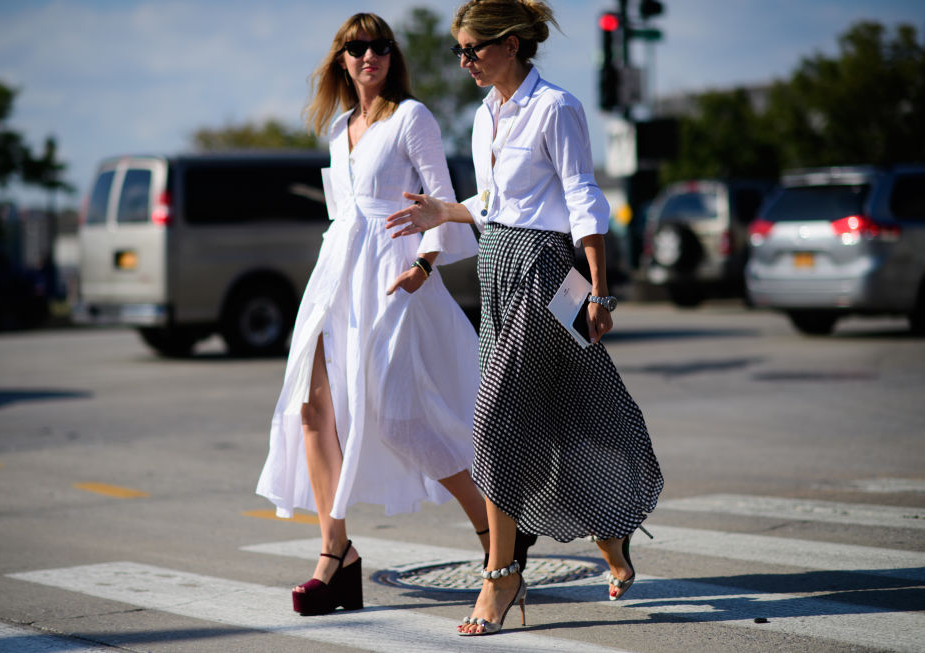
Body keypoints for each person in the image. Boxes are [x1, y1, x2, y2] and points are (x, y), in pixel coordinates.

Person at [386, 0, 663, 636]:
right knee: (570, 409)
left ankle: (501, 574)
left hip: (544, 273)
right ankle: (612, 536)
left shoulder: (556, 106)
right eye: (459, 51)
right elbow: (493, 200)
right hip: (495, 268)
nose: (464, 62)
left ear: (511, 44)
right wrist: (445, 212)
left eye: (472, 49)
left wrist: (598, 290)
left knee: (493, 423)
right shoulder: (486, 115)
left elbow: (580, 195)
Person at [255, 12, 490, 617]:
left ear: (392, 57)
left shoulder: (412, 117)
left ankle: (495, 534)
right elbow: (345, 214)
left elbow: (441, 199)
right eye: (357, 48)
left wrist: (426, 264)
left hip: (394, 280)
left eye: (380, 47)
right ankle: (335, 556)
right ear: (342, 59)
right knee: (311, 408)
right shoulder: (340, 127)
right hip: (338, 275)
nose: (369, 56)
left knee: (396, 416)